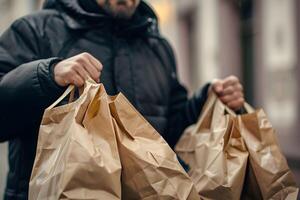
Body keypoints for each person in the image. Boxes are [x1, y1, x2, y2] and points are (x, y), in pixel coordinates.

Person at [0, 0, 244, 199]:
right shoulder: (33, 31)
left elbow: (168, 135)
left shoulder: (157, 47)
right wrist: (47, 75)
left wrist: (206, 101)